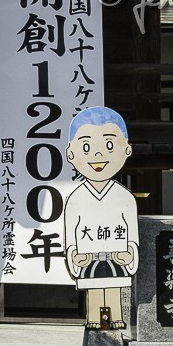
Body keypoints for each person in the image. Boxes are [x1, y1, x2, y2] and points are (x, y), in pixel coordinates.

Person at [62, 106, 138, 329]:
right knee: (95, 288)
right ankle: (95, 318)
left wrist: (130, 251)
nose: (97, 155)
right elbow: (71, 236)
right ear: (71, 153)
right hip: (90, 257)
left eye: (109, 145)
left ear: (127, 149)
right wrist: (74, 255)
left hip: (115, 256)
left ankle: (115, 317)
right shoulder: (76, 199)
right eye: (86, 146)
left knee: (113, 287)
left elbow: (131, 233)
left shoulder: (124, 198)